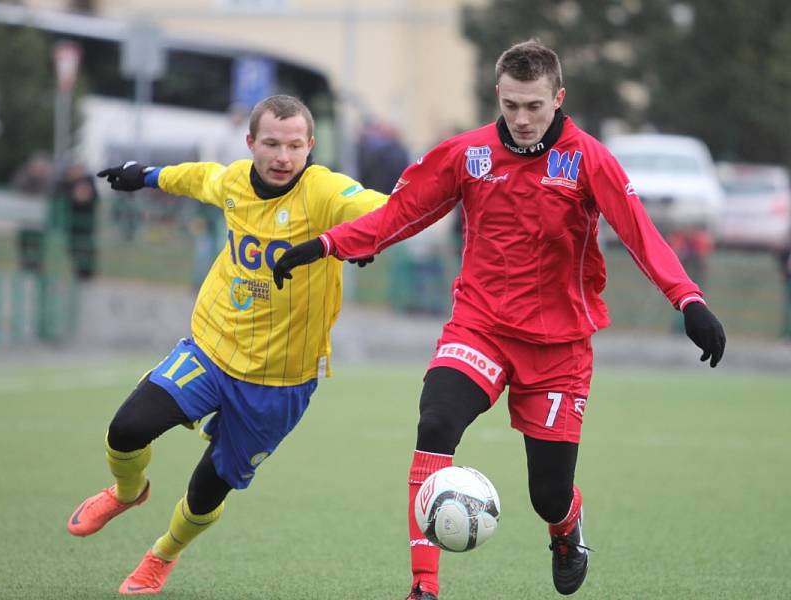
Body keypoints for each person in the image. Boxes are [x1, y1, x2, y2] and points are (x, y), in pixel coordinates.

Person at [272, 41, 726, 599]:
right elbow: (401, 214)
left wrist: (689, 300)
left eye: (535, 105)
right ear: (498, 96)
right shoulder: (468, 154)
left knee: (547, 494)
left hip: (560, 347)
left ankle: (565, 529)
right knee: (436, 421)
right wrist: (325, 245)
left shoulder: (589, 160)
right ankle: (423, 587)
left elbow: (640, 234)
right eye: (512, 105)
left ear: (558, 99)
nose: (523, 118)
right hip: (480, 326)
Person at [66, 94, 386, 595]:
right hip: (213, 349)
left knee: (206, 489)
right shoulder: (236, 180)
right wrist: (144, 174)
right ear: (251, 142)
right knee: (127, 429)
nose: (283, 157)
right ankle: (128, 492)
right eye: (272, 144)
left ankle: (161, 556)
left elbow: (383, 208)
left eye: (295, 146)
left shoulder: (324, 191)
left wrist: (369, 235)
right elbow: (196, 178)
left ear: (311, 147)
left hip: (280, 382)